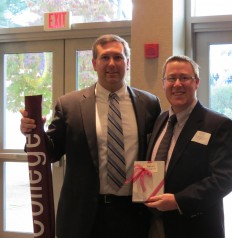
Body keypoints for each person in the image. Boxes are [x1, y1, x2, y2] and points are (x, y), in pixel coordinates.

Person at [20, 34, 161, 238]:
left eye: (118, 57)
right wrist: (33, 133)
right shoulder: (69, 105)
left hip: (134, 214)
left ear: (127, 63)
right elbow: (51, 153)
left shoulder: (149, 103)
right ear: (94, 63)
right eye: (105, 58)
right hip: (83, 216)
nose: (111, 64)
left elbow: (157, 151)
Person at [145, 55, 232, 238]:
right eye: (171, 78)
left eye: (184, 78)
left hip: (195, 226)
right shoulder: (161, 120)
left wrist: (178, 201)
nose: (177, 84)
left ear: (196, 83)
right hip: (154, 225)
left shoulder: (218, 124)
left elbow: (224, 179)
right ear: (164, 83)